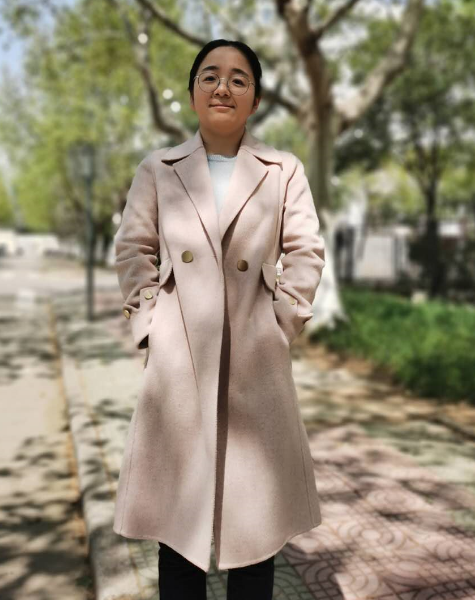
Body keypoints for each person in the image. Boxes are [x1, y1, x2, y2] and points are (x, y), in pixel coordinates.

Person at [112, 38, 326, 600]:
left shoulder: (283, 170)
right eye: (209, 76)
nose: (223, 87)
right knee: (177, 532)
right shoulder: (159, 169)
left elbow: (306, 250)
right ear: (192, 95)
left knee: (254, 535)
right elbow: (133, 248)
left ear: (255, 99)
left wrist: (281, 323)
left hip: (256, 365)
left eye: (238, 78)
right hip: (179, 364)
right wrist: (151, 324)